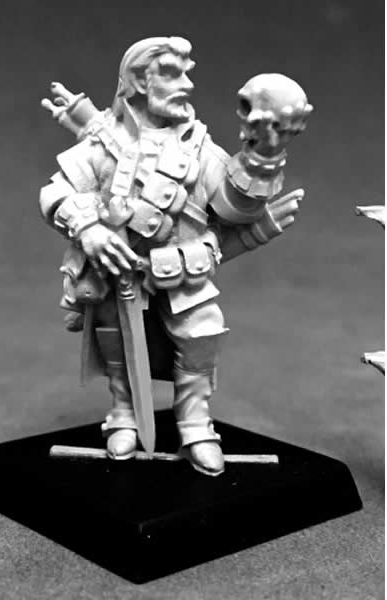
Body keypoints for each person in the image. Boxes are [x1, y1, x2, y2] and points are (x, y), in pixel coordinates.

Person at [39, 36, 311, 476]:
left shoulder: (195, 146)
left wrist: (264, 152)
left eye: (186, 73)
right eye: (170, 73)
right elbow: (54, 193)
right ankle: (124, 415)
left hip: (182, 271)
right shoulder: (104, 143)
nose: (186, 84)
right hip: (115, 276)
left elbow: (233, 206)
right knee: (115, 341)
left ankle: (195, 425)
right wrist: (87, 228)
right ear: (137, 81)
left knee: (202, 334)